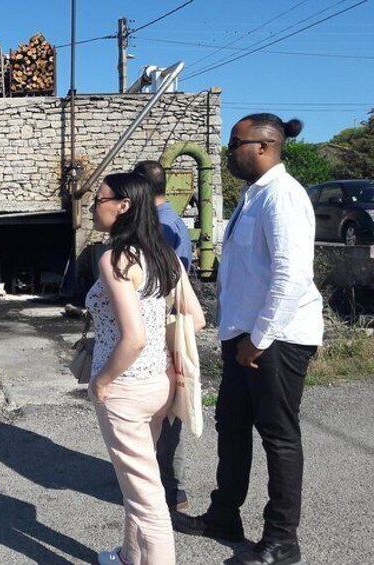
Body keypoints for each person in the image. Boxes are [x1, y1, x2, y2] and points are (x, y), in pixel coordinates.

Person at [172, 115, 323, 565]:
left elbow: (290, 276)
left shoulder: (283, 196)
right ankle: (225, 515)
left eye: (235, 143)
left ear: (265, 145)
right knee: (232, 427)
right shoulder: (253, 196)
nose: (228, 150)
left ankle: (281, 541)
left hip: (276, 338)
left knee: (277, 436)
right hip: (246, 335)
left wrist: (258, 339)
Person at [87, 172, 205, 565]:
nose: (91, 206)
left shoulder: (114, 258)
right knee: (137, 488)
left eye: (98, 199)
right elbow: (196, 319)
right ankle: (128, 557)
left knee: (148, 499)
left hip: (124, 388)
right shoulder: (163, 254)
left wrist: (101, 382)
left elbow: (133, 337)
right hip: (159, 382)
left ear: (122, 206)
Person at [133, 160, 192, 513]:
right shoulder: (162, 221)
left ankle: (173, 490)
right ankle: (159, 482)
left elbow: (170, 285)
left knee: (169, 411)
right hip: (161, 325)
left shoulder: (165, 227)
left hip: (167, 327)